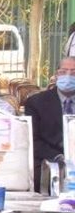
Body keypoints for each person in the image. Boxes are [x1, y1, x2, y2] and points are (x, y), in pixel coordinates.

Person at [24, 57, 75, 189]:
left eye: (73, 73)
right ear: (56, 74)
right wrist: (59, 157)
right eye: (63, 72)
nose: (68, 76)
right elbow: (32, 140)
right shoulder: (36, 102)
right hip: (49, 161)